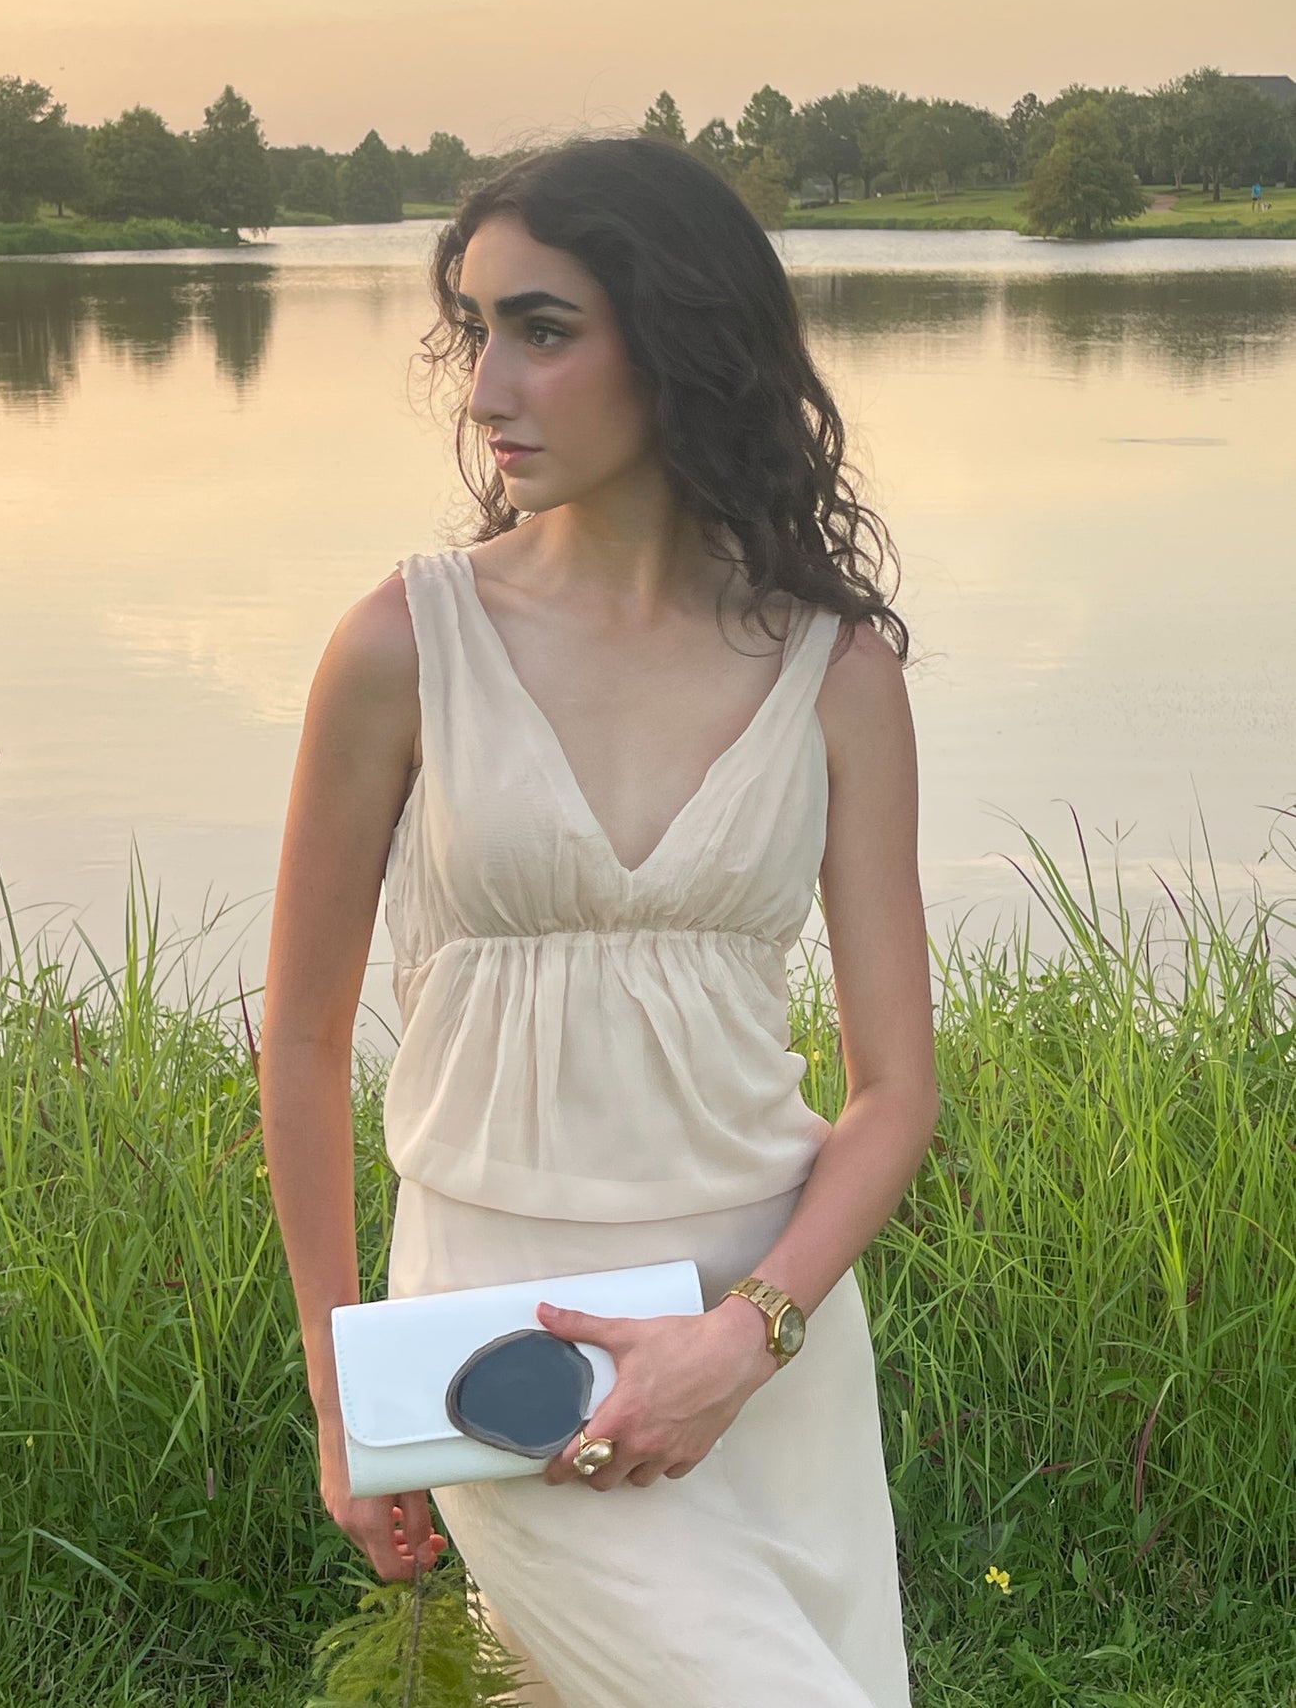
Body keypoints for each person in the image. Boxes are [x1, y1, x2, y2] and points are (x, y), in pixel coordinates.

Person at [260, 133, 938, 1706]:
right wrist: (337, 1381)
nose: (485, 386)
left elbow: (895, 1090)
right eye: (475, 329)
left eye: (542, 330)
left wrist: (743, 1339)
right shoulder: (401, 642)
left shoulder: (835, 672)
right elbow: (299, 1036)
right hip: (501, 1354)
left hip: (764, 1349)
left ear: (683, 341)